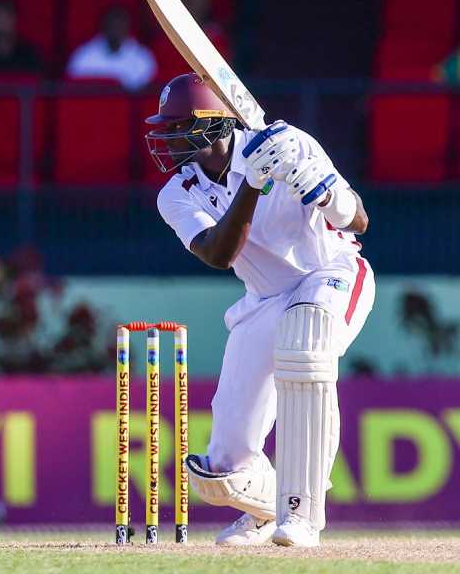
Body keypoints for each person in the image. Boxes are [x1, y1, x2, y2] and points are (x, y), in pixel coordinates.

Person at [148, 73, 374, 547]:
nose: (166, 137)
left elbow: (357, 219)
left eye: (176, 126)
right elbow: (218, 253)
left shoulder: (290, 142)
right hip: (264, 299)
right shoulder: (176, 193)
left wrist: (322, 190)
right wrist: (252, 183)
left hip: (330, 274)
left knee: (305, 341)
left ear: (212, 126)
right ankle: (266, 512)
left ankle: (303, 513)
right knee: (223, 472)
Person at [65, 6, 156, 90]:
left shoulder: (142, 57)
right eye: (112, 25)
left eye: (120, 25)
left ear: (127, 27)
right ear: (103, 26)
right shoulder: (83, 56)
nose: (115, 30)